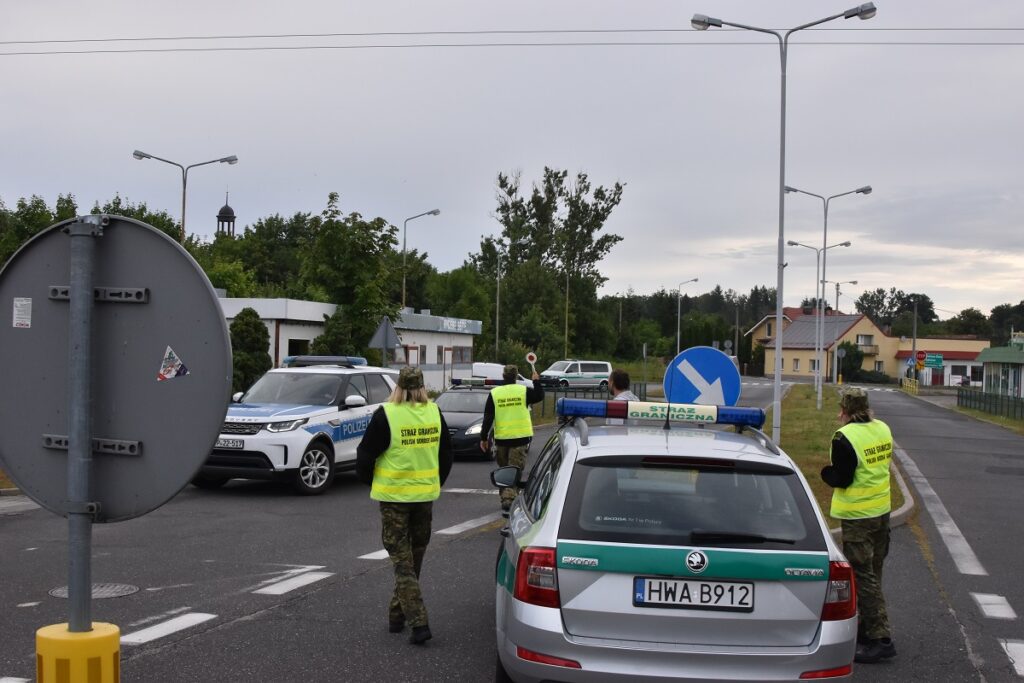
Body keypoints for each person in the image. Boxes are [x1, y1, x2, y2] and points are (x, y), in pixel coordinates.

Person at [357, 366, 453, 645]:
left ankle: (419, 622)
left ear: (397, 386)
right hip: (424, 499)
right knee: (414, 558)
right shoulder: (435, 412)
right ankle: (396, 615)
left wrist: (369, 481)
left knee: (402, 562)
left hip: (394, 500)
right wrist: (436, 482)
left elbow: (365, 455)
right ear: (423, 386)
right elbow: (446, 454)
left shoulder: (386, 414)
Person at [820, 387, 896, 664]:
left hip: (858, 517)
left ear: (844, 410)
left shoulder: (844, 438)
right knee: (874, 572)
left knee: (863, 576)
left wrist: (825, 473)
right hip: (882, 512)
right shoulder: (883, 429)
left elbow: (842, 478)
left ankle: (880, 638)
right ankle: (865, 631)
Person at [480, 364, 544, 512]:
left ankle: (507, 497)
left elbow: (488, 417)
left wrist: (484, 438)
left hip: (502, 439)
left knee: (504, 471)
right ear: (515, 377)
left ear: (503, 376)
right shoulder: (523, 391)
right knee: (514, 470)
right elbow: (539, 396)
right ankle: (509, 498)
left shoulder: (495, 393)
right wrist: (536, 381)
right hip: (520, 438)